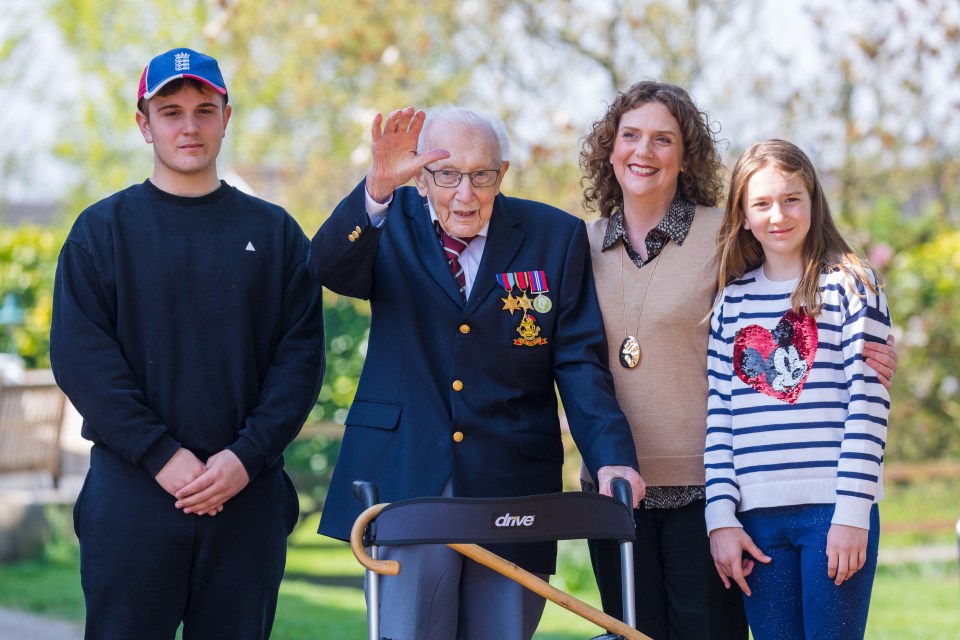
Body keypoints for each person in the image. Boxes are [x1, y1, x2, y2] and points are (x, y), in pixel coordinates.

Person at [578, 81, 898, 639]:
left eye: (663, 139)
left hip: (716, 490)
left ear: (686, 153)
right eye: (630, 136)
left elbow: (806, 289)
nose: (644, 151)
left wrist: (875, 345)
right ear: (610, 147)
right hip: (624, 490)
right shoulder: (579, 244)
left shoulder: (722, 237)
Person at [309, 105, 644, 639]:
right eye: (447, 175)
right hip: (408, 478)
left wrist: (612, 459)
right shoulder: (386, 219)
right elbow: (325, 266)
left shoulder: (554, 236)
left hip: (512, 481)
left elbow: (578, 361)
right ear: (422, 176)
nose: (465, 193)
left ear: (502, 174)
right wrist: (375, 187)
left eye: (481, 175)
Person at [50, 48, 325, 639]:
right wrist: (160, 455)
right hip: (132, 497)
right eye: (170, 111)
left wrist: (245, 457)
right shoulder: (102, 232)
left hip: (246, 499)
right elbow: (82, 360)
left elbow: (298, 363)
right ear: (143, 123)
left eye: (205, 109)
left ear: (227, 116)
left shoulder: (275, 233)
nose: (190, 126)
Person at [705, 139, 890, 640]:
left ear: (813, 202)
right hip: (756, 523)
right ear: (742, 215)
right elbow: (719, 417)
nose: (778, 215)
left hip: (833, 512)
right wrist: (720, 517)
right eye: (761, 203)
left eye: (791, 199)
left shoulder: (852, 287)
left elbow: (868, 408)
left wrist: (853, 513)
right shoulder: (730, 304)